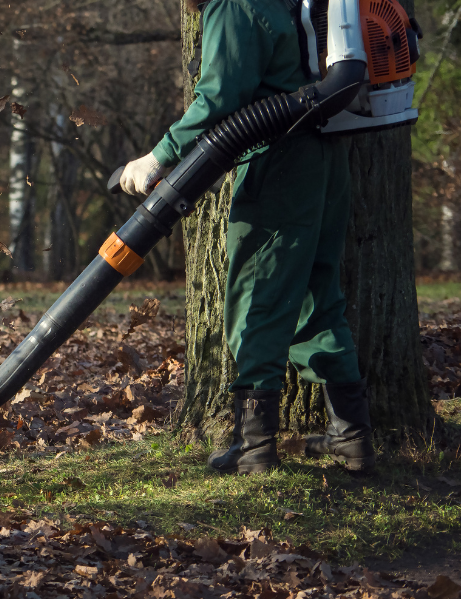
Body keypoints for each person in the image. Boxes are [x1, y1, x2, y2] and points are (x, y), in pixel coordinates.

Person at [120, 0, 373, 474]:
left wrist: (157, 157)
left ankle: (254, 445)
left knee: (258, 295)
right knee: (316, 295)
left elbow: (219, 98)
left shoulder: (236, 3)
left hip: (279, 163)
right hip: (325, 156)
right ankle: (352, 436)